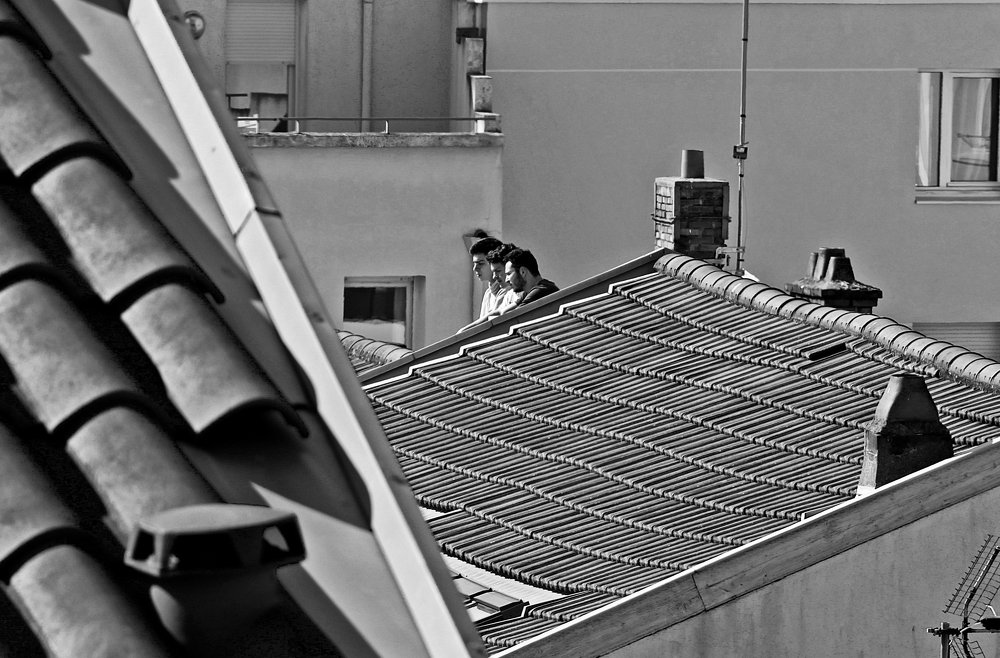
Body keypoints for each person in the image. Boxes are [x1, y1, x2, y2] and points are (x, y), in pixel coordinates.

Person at [468, 236, 503, 320]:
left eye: (480, 263)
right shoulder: (488, 293)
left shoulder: (510, 292)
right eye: (474, 264)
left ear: (494, 262)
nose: (475, 268)